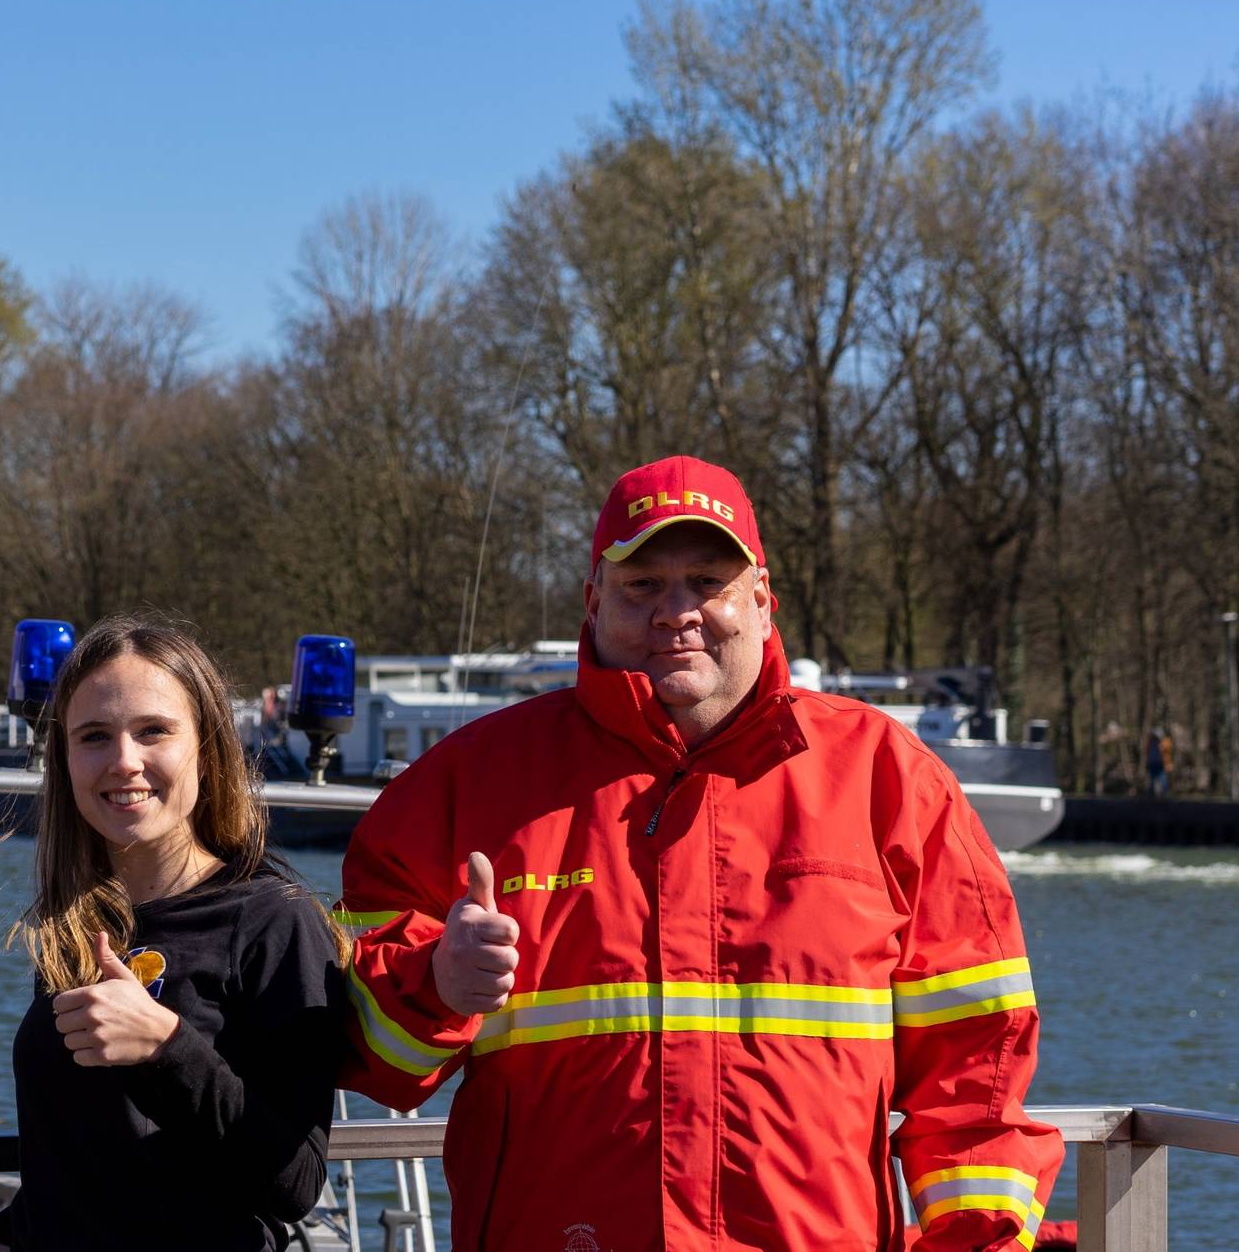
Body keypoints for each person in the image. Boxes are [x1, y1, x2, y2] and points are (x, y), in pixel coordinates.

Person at [338, 455, 1062, 1250]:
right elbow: (357, 1050)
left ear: (761, 599)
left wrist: (976, 1242)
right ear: (593, 602)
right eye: (641, 585)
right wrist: (437, 983)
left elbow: (978, 1070)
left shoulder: (888, 780)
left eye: (707, 582)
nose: (675, 612)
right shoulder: (463, 784)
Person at [0, 616, 343, 1252]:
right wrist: (2, 1235)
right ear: (65, 760)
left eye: (153, 732)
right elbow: (85, 1159)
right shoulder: (79, 925)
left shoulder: (275, 921)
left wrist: (166, 1047)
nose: (123, 762)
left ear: (208, 747)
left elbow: (295, 1182)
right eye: (93, 736)